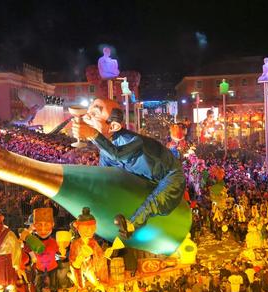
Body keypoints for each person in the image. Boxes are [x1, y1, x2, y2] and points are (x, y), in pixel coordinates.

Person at [72, 98, 186, 239]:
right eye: (88, 112)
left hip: (171, 174)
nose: (86, 116)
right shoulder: (105, 152)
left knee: (155, 200)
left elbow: (117, 154)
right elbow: (104, 178)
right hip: (145, 180)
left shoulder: (133, 140)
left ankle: (131, 226)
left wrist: (92, 134)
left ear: (113, 127)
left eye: (94, 114)